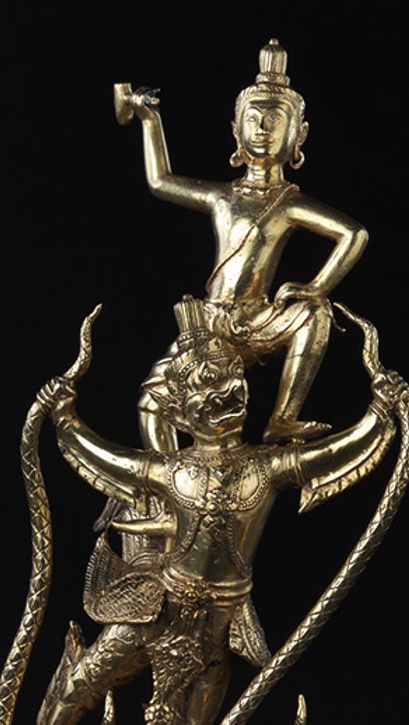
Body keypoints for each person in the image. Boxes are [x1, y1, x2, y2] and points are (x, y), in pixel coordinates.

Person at [28, 297, 401, 725]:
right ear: (180, 410)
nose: (228, 397)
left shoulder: (265, 467)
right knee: (84, 682)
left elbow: (332, 454)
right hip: (157, 605)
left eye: (235, 385)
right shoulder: (170, 471)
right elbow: (105, 456)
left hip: (220, 625)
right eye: (209, 391)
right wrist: (63, 416)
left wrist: (378, 415)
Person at [117, 39, 369, 451]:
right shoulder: (223, 196)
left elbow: (354, 234)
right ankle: (166, 481)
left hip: (256, 321)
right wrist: (149, 120)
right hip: (208, 322)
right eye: (253, 119)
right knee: (151, 406)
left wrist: (314, 288)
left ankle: (282, 418)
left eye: (275, 120)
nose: (263, 128)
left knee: (315, 313)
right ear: (236, 131)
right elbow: (160, 181)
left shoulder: (289, 204)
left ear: (299, 135)